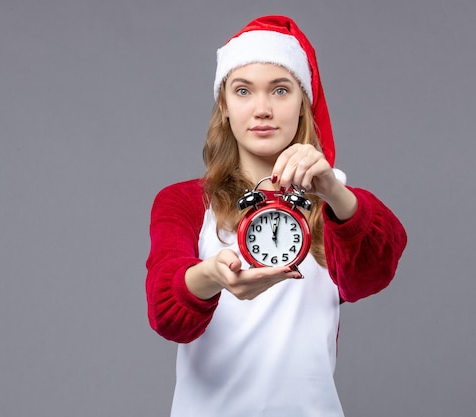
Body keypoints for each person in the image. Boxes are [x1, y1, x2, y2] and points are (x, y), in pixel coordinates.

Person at [145, 15, 407, 417]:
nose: (262, 109)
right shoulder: (185, 203)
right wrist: (212, 276)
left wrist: (334, 192)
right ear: (225, 106)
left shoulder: (333, 202)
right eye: (244, 90)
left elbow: (372, 274)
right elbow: (168, 317)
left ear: (303, 104)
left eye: (280, 90)